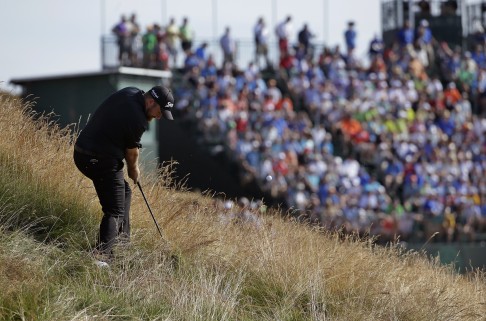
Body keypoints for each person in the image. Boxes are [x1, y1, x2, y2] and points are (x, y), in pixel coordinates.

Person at [73, 86, 174, 263]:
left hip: (82, 153)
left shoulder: (131, 92)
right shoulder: (138, 120)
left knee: (124, 192)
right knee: (115, 210)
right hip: (98, 159)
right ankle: (101, 257)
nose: (159, 117)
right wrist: (134, 170)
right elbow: (131, 153)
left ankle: (122, 244)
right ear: (151, 102)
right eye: (159, 112)